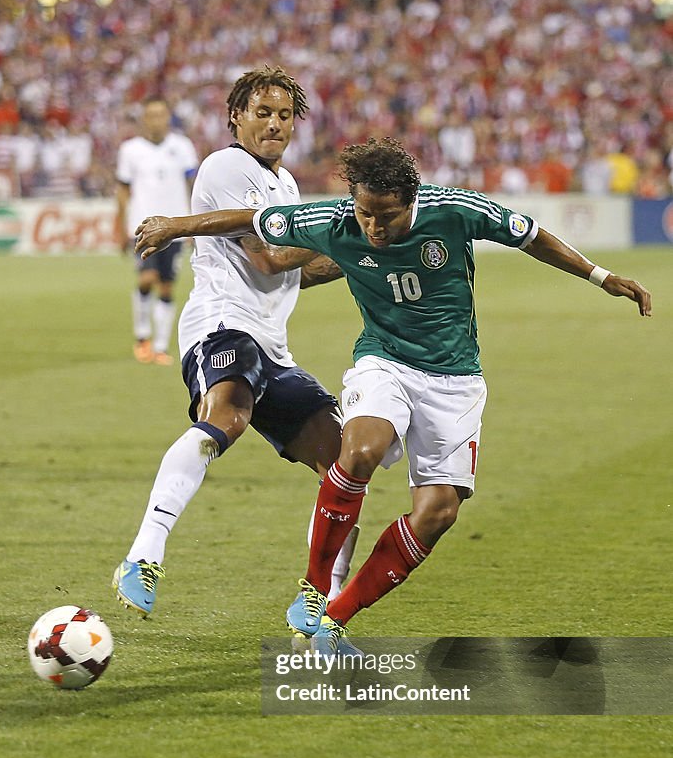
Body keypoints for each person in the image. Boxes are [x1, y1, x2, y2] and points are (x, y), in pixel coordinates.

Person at [134, 137, 652, 654]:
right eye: (365, 216)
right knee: (357, 450)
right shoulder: (335, 219)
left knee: (437, 513)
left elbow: (532, 236)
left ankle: (335, 621)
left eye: (387, 217)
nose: (374, 229)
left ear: (412, 200)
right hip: (383, 362)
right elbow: (253, 219)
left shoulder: (456, 210)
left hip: (456, 381)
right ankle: (313, 592)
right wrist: (176, 227)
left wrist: (600, 276)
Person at [113, 67, 358, 618]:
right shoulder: (227, 165)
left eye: (285, 115)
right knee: (227, 415)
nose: (274, 124)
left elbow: (295, 272)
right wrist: (341, 227)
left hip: (273, 346)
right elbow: (268, 255)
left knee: (345, 462)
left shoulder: (287, 185)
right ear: (236, 118)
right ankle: (143, 555)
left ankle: (321, 602)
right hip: (222, 325)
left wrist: (358, 256)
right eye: (263, 113)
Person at [116, 98, 199, 365]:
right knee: (146, 279)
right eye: (150, 115)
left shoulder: (182, 147)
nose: (156, 120)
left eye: (161, 115)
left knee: (166, 285)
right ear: (143, 119)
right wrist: (119, 225)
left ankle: (161, 347)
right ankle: (142, 337)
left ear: (168, 118)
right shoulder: (130, 150)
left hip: (175, 226)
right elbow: (123, 190)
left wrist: (196, 225)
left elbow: (194, 185)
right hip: (142, 226)